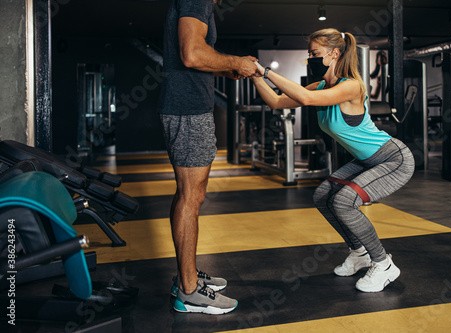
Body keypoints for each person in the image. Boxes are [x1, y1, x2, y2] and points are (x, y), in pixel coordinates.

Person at [250, 28, 415, 292]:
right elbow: (277, 102)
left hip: (392, 159)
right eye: (309, 54)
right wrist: (255, 76)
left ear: (334, 53)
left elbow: (305, 98)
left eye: (315, 54)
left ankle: (383, 264)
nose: (311, 59)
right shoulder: (321, 85)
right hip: (365, 160)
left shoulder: (350, 87)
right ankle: (359, 252)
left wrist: (266, 71)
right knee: (322, 196)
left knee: (344, 201)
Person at [157, 0, 258, 314]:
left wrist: (228, 68)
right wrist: (236, 61)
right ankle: (189, 291)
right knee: (191, 197)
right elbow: (192, 54)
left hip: (188, 108)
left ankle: (186, 277)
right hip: (188, 111)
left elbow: (197, 55)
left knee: (189, 194)